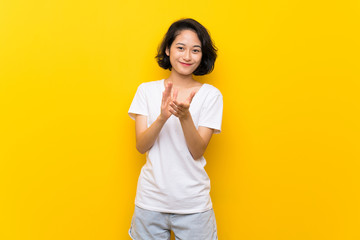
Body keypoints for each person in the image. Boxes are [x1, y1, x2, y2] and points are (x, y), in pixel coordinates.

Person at [128, 18, 223, 240]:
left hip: (193, 206)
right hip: (150, 203)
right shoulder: (146, 91)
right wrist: (162, 117)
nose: (187, 56)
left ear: (202, 56)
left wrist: (184, 117)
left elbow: (198, 151)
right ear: (168, 49)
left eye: (195, 50)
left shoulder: (211, 95)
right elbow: (141, 146)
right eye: (180, 48)